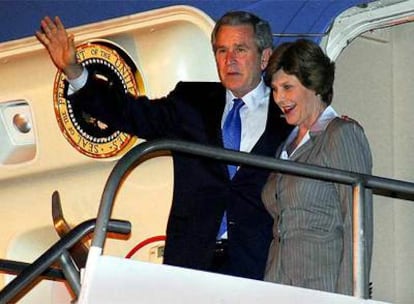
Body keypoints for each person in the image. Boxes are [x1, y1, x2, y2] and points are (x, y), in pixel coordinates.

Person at [36, 12, 292, 280]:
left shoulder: (288, 114)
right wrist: (74, 71)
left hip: (260, 267)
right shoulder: (192, 102)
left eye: (240, 49)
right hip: (191, 262)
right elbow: (130, 113)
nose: (230, 60)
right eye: (221, 50)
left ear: (264, 58)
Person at [261, 39, 373, 294]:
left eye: (287, 87)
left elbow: (357, 226)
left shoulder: (341, 134)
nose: (279, 98)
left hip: (323, 287)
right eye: (275, 89)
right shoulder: (285, 145)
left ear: (314, 85)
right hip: (277, 285)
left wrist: (350, 298)